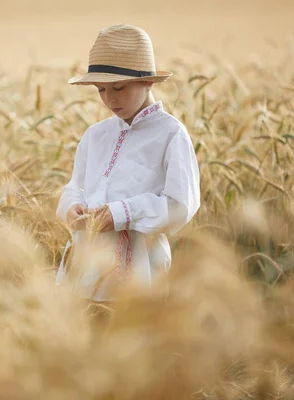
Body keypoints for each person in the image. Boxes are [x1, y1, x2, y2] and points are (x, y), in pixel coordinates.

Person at [55, 24, 201, 304]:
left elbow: (181, 206)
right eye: (101, 90)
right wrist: (71, 209)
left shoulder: (170, 134)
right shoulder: (95, 135)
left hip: (140, 272)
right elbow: (74, 188)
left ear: (148, 81)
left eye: (119, 87)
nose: (110, 99)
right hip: (85, 269)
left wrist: (121, 213)